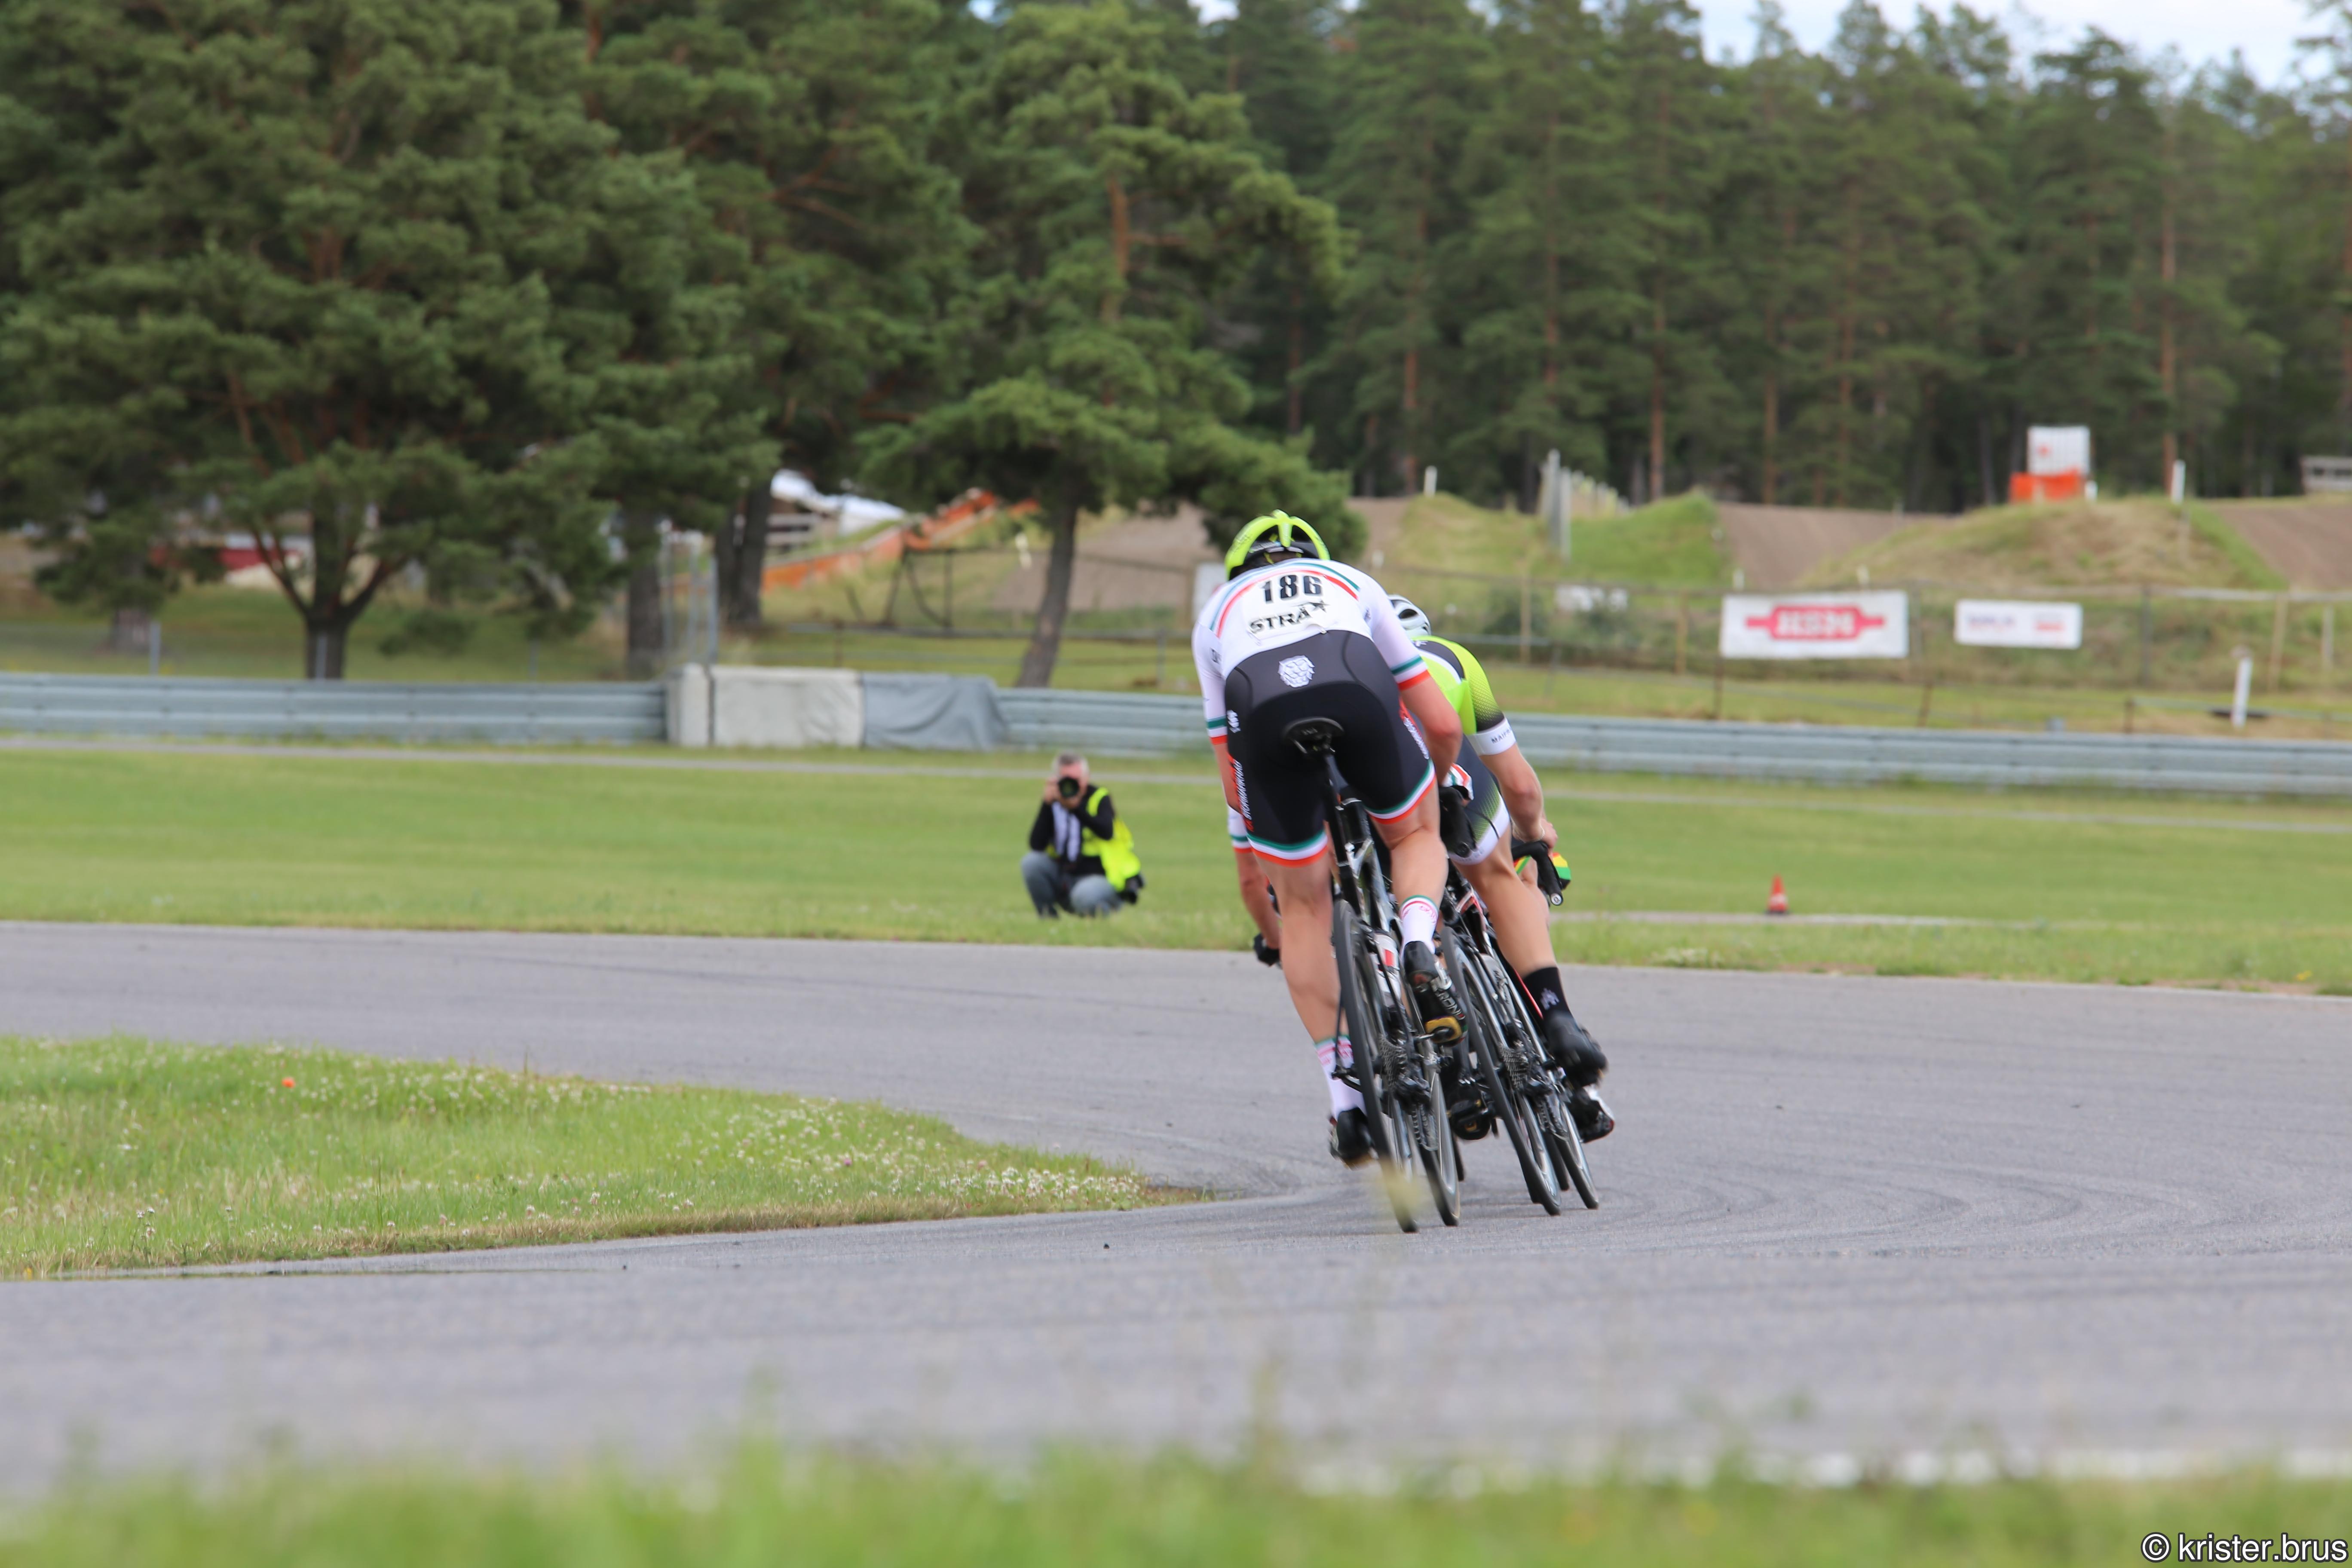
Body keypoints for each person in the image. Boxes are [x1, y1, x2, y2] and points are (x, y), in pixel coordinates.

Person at [1193, 511, 1466, 1167]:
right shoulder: (1351, 581)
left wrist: (1284, 827)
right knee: (1414, 835)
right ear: (1314, 555)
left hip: (1263, 720)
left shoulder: (1214, 615)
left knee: (1304, 908)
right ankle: (1417, 945)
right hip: (1355, 690)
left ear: (1237, 571)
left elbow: (1231, 777)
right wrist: (1432, 785)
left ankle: (1345, 1104)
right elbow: (1439, 722)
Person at [1387, 594, 1613, 1142]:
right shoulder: (1451, 658)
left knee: (1396, 918)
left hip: (1377, 794)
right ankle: (1556, 1018)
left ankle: (1452, 1066)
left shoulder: (1348, 662)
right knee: (1506, 877)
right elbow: (1519, 786)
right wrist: (1536, 836)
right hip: (1455, 790)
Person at [1021, 752, 1143, 918]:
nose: (1072, 785)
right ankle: (1048, 919)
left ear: (1087, 777)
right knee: (1031, 862)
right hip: (1066, 875)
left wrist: (1076, 809)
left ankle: (1107, 919)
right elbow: (1036, 845)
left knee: (1083, 896)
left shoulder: (1099, 798)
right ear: (1056, 780)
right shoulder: (1055, 801)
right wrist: (1046, 805)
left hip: (1102, 878)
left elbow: (1106, 832)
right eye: (1066, 780)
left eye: (1077, 780)